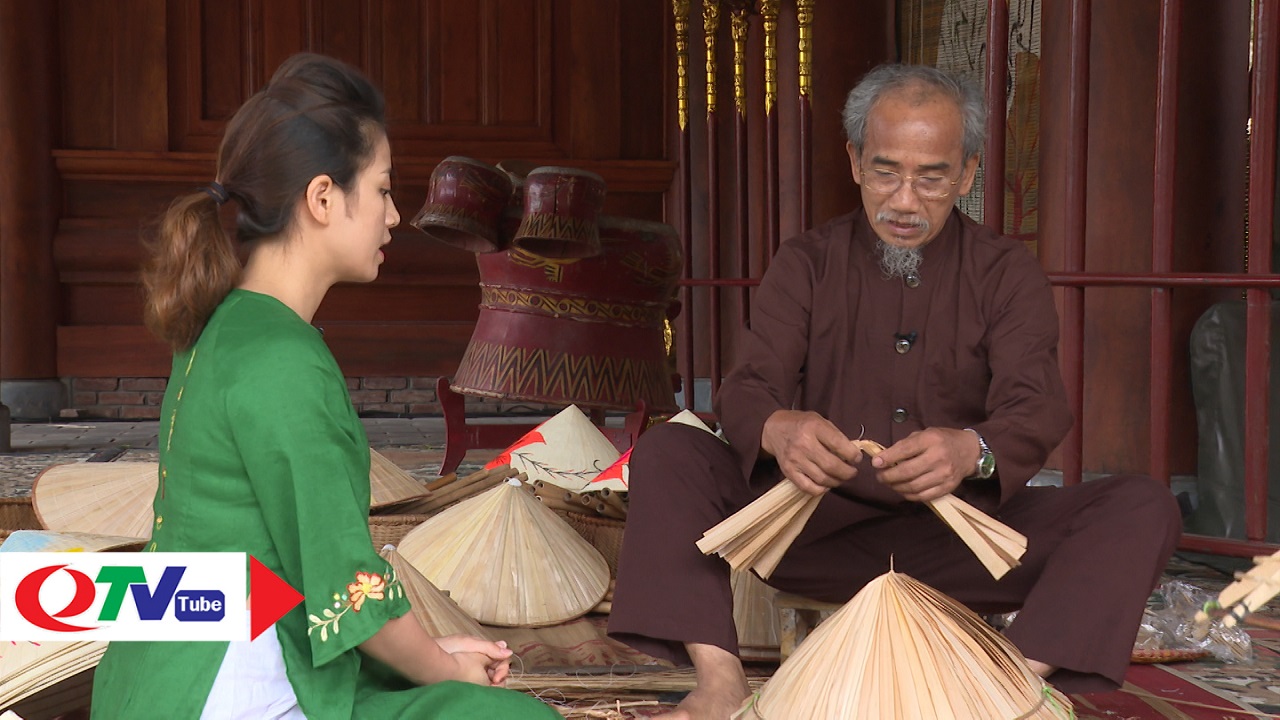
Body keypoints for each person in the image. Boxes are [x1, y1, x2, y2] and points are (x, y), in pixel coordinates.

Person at [608, 63, 1183, 719]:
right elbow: (748, 388)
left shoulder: (1005, 272)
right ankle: (719, 681)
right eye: (886, 171)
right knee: (669, 453)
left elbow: (1038, 405)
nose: (905, 200)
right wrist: (779, 429)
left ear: (967, 174)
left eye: (932, 177)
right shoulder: (807, 262)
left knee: (1142, 505)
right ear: (854, 161)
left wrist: (974, 449)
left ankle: (1007, 688)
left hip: (961, 542)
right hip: (810, 533)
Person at [90, 53, 559, 719]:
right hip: (232, 687)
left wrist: (435, 659)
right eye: (384, 189)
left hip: (156, 677)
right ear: (321, 198)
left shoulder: (222, 327)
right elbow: (350, 592)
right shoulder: (285, 360)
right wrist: (446, 668)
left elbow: (311, 582)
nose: (395, 215)